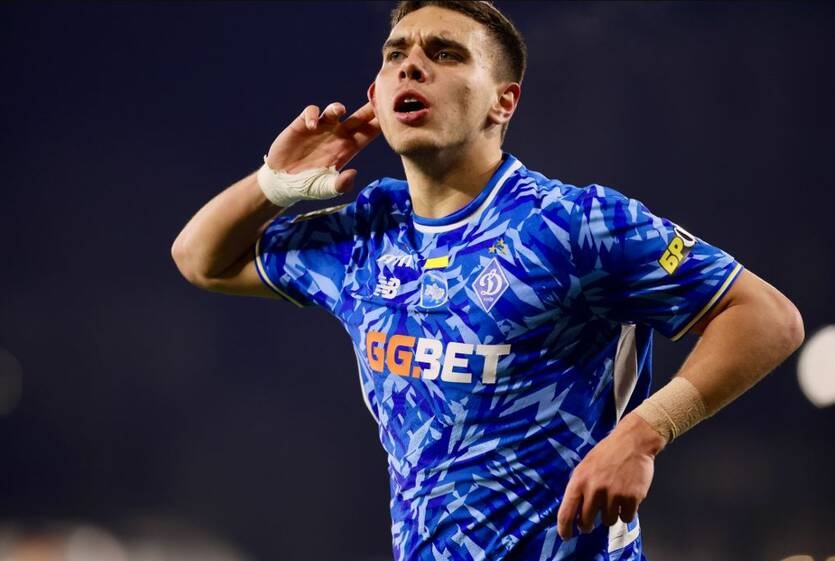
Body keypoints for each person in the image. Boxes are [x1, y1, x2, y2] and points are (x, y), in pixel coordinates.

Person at [171, 1, 804, 559]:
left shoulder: (573, 224)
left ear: (504, 100)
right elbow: (201, 259)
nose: (412, 67)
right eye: (396, 55)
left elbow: (768, 318)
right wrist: (274, 184)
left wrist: (644, 433)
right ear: (376, 94)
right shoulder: (367, 232)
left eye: (444, 54)